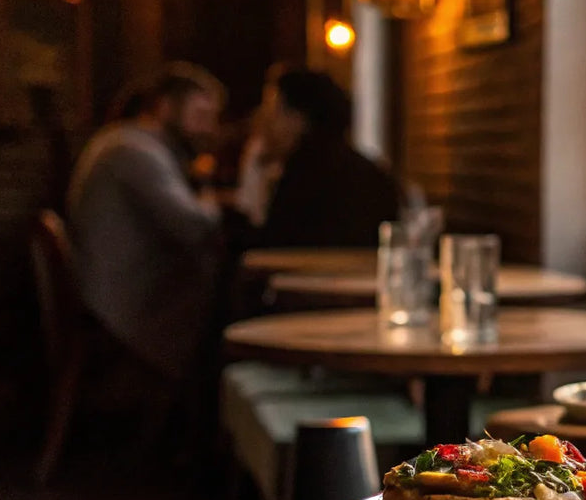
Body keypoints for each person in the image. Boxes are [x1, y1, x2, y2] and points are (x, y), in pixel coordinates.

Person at [66, 63, 225, 386]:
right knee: (223, 315)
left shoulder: (131, 142)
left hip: (115, 297)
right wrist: (213, 200)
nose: (208, 128)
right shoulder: (134, 150)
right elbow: (193, 226)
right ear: (165, 107)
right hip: (118, 311)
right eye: (200, 115)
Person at [234, 68, 398, 250]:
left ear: (299, 119)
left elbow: (276, 245)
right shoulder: (368, 170)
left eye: (276, 111)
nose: (268, 122)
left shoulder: (303, 175)